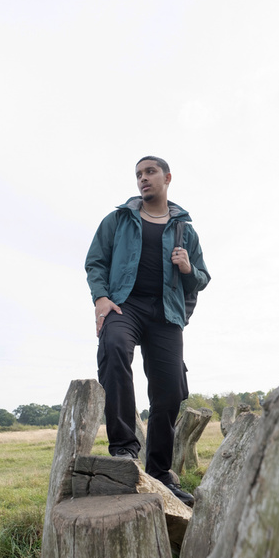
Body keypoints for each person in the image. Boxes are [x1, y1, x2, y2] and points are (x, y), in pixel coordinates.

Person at [85, 156, 210, 506]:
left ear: (167, 178)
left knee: (170, 390)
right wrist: (102, 298)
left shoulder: (186, 230)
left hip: (166, 314)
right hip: (125, 305)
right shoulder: (118, 220)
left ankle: (159, 471)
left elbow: (201, 278)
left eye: (150, 172)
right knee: (114, 348)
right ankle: (124, 450)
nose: (143, 179)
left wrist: (187, 268)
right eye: (138, 174)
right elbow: (95, 262)